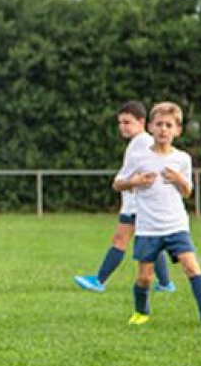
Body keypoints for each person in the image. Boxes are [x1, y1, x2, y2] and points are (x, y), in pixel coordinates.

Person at [113, 102, 201, 327]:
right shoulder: (140, 158)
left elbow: (187, 192)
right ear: (151, 128)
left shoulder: (182, 159)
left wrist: (179, 180)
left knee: (191, 266)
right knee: (145, 277)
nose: (164, 129)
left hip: (176, 225)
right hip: (147, 227)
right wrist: (133, 182)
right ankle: (141, 312)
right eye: (159, 124)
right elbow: (117, 184)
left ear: (177, 130)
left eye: (169, 125)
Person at [74, 101, 175, 294]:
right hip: (134, 203)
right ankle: (165, 283)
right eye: (120, 122)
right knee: (153, 244)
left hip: (137, 204)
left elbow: (152, 167)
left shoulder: (144, 142)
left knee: (120, 240)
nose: (123, 126)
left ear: (142, 121)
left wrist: (135, 182)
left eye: (127, 122)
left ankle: (99, 280)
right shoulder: (138, 142)